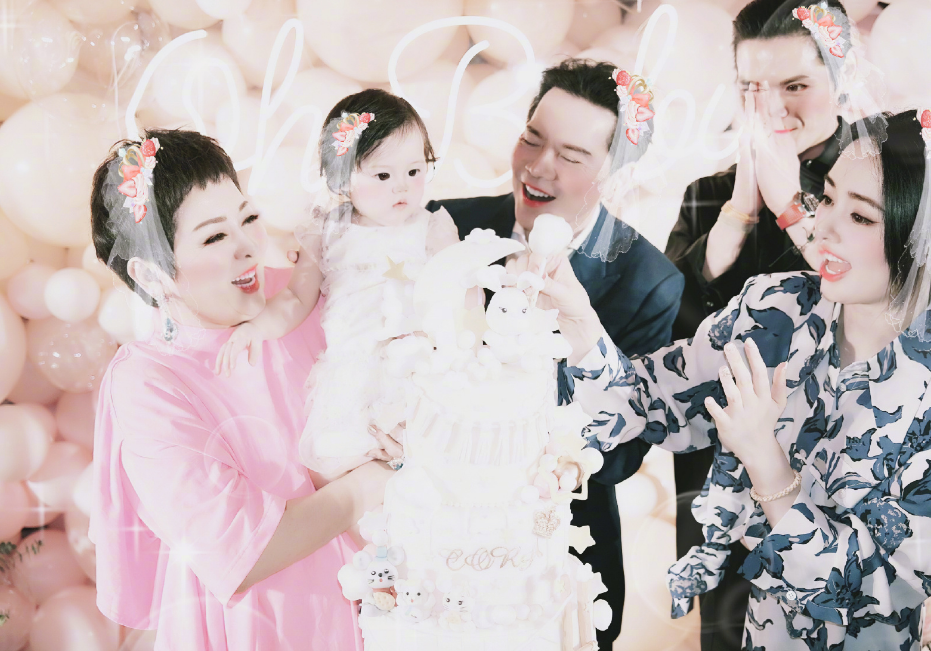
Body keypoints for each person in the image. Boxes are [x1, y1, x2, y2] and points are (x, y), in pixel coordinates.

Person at [538, 99, 931, 648]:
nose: (823, 227)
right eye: (828, 198)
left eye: (861, 217)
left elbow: (875, 593)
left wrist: (765, 461)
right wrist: (581, 324)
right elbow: (643, 402)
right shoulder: (776, 308)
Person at [89, 129, 403, 650]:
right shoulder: (148, 382)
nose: (249, 248)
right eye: (214, 238)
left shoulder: (306, 296)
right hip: (271, 625)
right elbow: (242, 550)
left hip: (390, 600)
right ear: (152, 273)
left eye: (248, 218)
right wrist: (368, 484)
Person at [426, 58, 684, 648]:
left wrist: (575, 334)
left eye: (571, 156)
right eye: (532, 138)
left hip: (561, 561)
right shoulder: (448, 224)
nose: (539, 166)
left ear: (615, 173)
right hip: (438, 551)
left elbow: (619, 459)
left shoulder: (648, 280)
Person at [662, 1, 882, 645]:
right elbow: (671, 340)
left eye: (794, 85)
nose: (771, 109)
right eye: (751, 89)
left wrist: (791, 205)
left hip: (841, 469)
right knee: (726, 634)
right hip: (718, 475)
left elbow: (887, 306)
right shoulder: (710, 194)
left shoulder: (888, 179)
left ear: (839, 73)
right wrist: (736, 217)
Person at [215, 89, 459, 479]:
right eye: (383, 175)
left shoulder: (432, 229)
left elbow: (458, 301)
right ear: (342, 178)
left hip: (416, 367)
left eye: (414, 172)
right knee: (347, 462)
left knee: (425, 462)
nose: (402, 186)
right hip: (352, 372)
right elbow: (296, 296)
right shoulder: (327, 231)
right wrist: (256, 328)